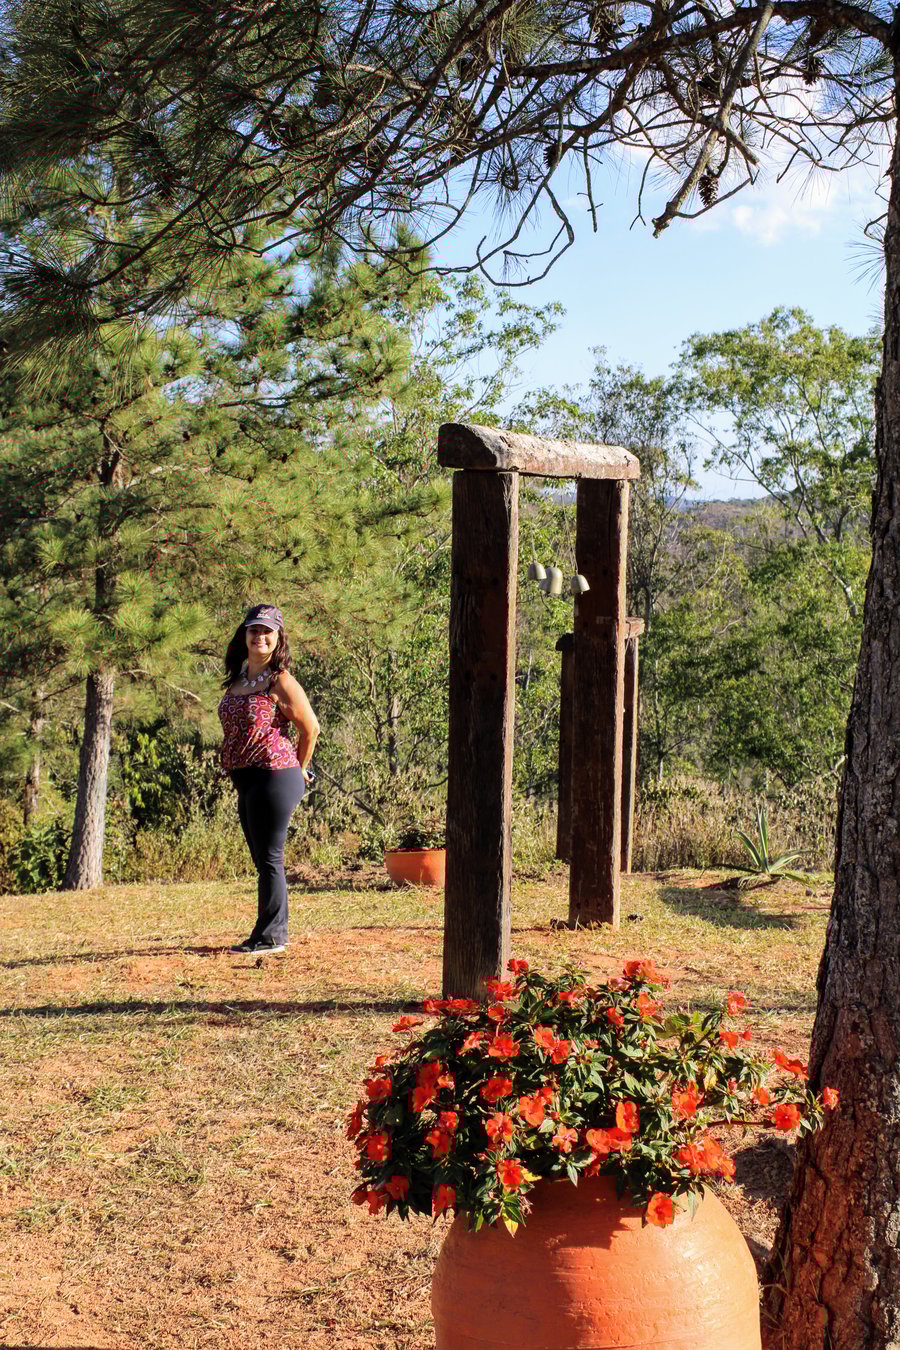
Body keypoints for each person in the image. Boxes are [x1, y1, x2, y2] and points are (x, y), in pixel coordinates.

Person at [218, 603, 320, 954]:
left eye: (267, 631)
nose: (259, 636)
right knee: (262, 859)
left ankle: (273, 936)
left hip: (275, 775)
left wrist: (302, 767)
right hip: (245, 778)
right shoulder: (240, 679)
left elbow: (311, 728)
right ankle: (265, 932)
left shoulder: (282, 681)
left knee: (271, 858)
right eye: (253, 630)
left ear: (278, 639)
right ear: (244, 636)